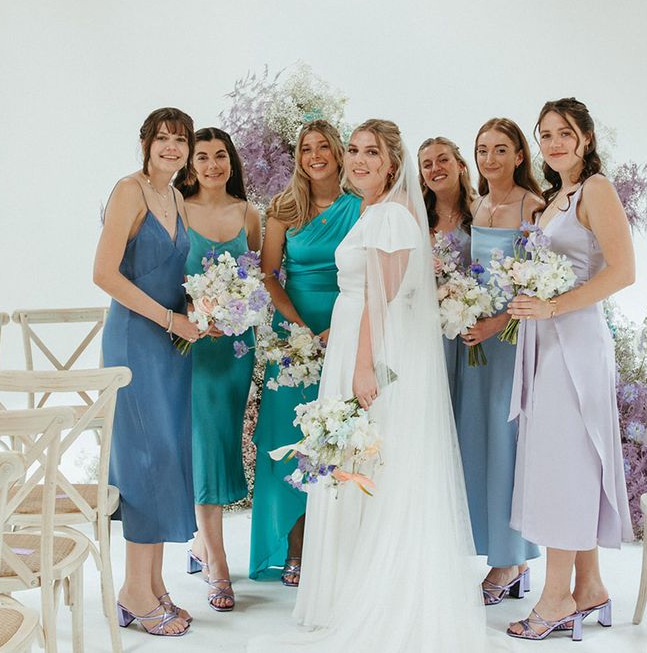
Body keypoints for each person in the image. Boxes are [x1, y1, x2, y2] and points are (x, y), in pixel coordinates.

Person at [250, 120, 506, 652]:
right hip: (352, 343)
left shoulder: (389, 215)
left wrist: (363, 368)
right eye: (355, 150)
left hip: (370, 351)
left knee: (370, 466)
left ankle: (376, 592)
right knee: (357, 464)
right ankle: (348, 587)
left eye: (372, 152)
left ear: (393, 163)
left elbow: (382, 302)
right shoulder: (372, 211)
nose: (359, 160)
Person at [506, 98, 634, 640]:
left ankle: (555, 597)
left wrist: (554, 306)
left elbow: (624, 272)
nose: (554, 143)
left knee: (564, 467)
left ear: (585, 137)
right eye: (545, 135)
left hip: (576, 343)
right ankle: (589, 587)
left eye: (564, 133)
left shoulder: (597, 190)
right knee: (567, 461)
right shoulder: (557, 199)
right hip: (548, 341)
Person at [94, 107, 199, 637]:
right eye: (163, 139)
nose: (172, 148)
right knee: (143, 459)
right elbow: (103, 273)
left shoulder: (177, 198)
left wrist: (205, 310)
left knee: (165, 456)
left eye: (180, 140)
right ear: (145, 143)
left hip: (172, 346)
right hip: (136, 343)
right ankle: (133, 592)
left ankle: (153, 585)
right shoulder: (128, 191)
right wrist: (168, 319)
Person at [249, 120, 361, 585]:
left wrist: (343, 328)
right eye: (305, 149)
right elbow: (270, 274)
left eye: (323, 147)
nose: (314, 156)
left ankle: (338, 551)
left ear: (338, 153)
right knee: (289, 440)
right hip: (292, 335)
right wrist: (297, 329)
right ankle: (294, 548)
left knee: (343, 436)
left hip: (348, 328)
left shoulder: (362, 207)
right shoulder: (283, 209)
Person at [175, 127, 262, 612]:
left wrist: (236, 308)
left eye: (220, 156)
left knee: (224, 442)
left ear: (232, 161)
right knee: (205, 446)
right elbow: (166, 278)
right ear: (191, 166)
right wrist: (191, 313)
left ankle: (197, 545)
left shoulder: (249, 213)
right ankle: (218, 566)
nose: (212, 165)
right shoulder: (177, 210)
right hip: (193, 347)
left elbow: (258, 277)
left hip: (235, 350)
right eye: (203, 157)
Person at [459, 118, 544, 605]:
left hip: (511, 337)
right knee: (482, 441)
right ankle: (502, 554)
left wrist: (494, 324)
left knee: (506, 439)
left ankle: (510, 561)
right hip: (476, 340)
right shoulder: (478, 204)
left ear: (518, 156)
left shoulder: (532, 205)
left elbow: (537, 281)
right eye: (482, 149)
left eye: (500, 150)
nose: (490, 159)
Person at [417, 136, 473, 391]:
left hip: (473, 327)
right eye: (427, 164)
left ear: (460, 165)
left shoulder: (481, 209)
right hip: (429, 330)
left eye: (443, 160)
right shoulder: (416, 220)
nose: (435, 168)